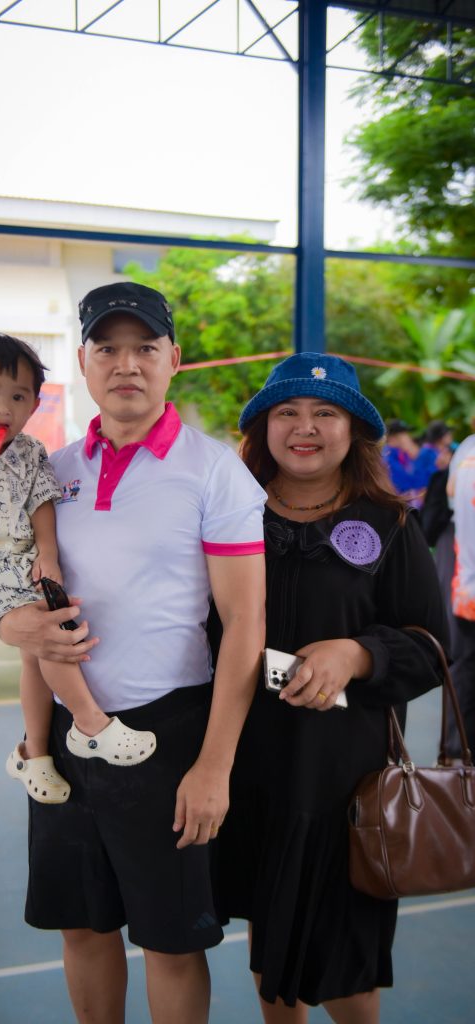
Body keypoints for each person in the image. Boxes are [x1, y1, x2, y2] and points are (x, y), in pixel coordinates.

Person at [0, 281, 267, 1024]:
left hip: (169, 734)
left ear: (172, 359)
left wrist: (213, 766)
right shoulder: (48, 472)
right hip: (65, 734)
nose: (126, 364)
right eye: (107, 348)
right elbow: (13, 597)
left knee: (171, 942)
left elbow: (245, 623)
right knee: (82, 926)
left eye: (144, 347)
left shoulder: (214, 471)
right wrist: (15, 638)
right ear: (82, 362)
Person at [214, 352, 448, 1024]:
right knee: (270, 950)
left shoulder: (388, 523)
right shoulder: (230, 515)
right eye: (286, 412)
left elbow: (431, 647)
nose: (305, 427)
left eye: (325, 413)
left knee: (347, 964)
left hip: (346, 778)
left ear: (354, 430)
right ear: (262, 427)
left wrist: (358, 654)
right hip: (250, 765)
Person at [0, 333, 157, 807]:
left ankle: (33, 753)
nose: (3, 408)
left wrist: (49, 553)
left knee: (33, 654)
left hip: (22, 559)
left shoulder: (30, 452)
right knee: (49, 631)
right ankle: (90, 724)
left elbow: (42, 502)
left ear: (34, 406)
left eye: (18, 397)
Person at [445, 419, 475, 759]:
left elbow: (451, 492)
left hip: (465, 582)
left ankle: (458, 750)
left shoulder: (467, 449)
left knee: (465, 669)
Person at [381, 418, 423, 505]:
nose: (408, 437)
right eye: (404, 434)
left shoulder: (403, 454)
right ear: (393, 438)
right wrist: (416, 458)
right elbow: (409, 484)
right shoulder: (387, 458)